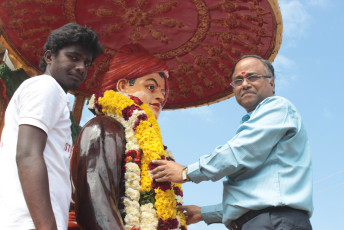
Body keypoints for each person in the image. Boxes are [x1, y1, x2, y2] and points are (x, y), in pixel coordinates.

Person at [151, 55, 313, 230]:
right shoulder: (253, 124)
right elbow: (250, 201)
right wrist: (203, 213)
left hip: (275, 221)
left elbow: (239, 151)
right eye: (238, 80)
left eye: (252, 77)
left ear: (271, 83)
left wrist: (186, 173)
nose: (244, 84)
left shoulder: (278, 107)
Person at [70, 44, 187, 230]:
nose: (159, 97)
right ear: (123, 86)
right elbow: (96, 208)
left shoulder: (151, 147)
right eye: (151, 87)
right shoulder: (102, 128)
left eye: (163, 93)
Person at [0, 23, 103, 230]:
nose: (81, 67)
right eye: (73, 57)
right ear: (49, 57)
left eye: (86, 62)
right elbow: (27, 155)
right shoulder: (46, 87)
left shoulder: (52, 95)